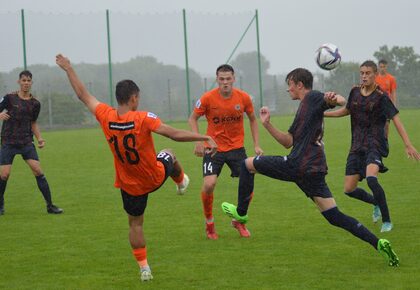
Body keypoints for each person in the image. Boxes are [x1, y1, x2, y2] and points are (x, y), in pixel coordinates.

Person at [56, 54, 217, 282]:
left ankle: (144, 268)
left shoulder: (105, 115)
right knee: (169, 152)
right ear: (133, 98)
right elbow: (174, 133)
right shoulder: (143, 118)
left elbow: (83, 95)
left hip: (129, 185)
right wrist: (203, 136)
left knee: (135, 224)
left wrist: (69, 68)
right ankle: (181, 181)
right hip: (154, 176)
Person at [221, 68, 400, 267]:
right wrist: (267, 124)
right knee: (334, 216)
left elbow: (339, 100)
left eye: (289, 84)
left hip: (299, 164)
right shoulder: (304, 108)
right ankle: (379, 244)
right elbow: (288, 141)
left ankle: (241, 214)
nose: (287, 89)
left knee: (247, 164)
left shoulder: (313, 97)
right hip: (314, 169)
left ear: (299, 85)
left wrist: (336, 98)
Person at [325, 60, 420, 233]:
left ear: (375, 75)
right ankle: (375, 202)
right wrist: (324, 114)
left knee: (371, 178)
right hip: (356, 145)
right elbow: (346, 110)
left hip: (375, 144)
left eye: (368, 73)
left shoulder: (382, 97)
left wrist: (408, 144)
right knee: (348, 189)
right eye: (362, 73)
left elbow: (396, 119)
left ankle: (387, 221)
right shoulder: (354, 92)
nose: (364, 76)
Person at [188, 64, 263, 239]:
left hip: (236, 148)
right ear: (217, 80)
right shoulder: (207, 98)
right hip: (213, 148)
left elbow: (252, 119)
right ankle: (209, 224)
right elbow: (192, 118)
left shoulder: (243, 98)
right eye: (221, 79)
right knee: (209, 184)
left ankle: (239, 220)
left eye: (228, 79)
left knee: (248, 183)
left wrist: (256, 145)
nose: (225, 83)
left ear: (234, 79)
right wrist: (199, 140)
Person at [0, 70, 63, 215]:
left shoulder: (35, 103)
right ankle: (0, 203)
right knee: (4, 175)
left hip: (26, 142)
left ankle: (50, 206)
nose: (26, 83)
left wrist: (40, 138)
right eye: (24, 80)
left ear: (31, 83)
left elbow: (33, 122)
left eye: (28, 81)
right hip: (8, 142)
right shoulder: (9, 98)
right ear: (19, 82)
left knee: (38, 171)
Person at [375, 59, 398, 138]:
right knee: (375, 125)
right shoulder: (375, 78)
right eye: (380, 67)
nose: (382, 68)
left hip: (386, 105)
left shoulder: (391, 78)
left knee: (386, 125)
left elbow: (393, 92)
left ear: (386, 67)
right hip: (376, 104)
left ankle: (385, 143)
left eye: (384, 67)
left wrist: (394, 105)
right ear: (378, 67)